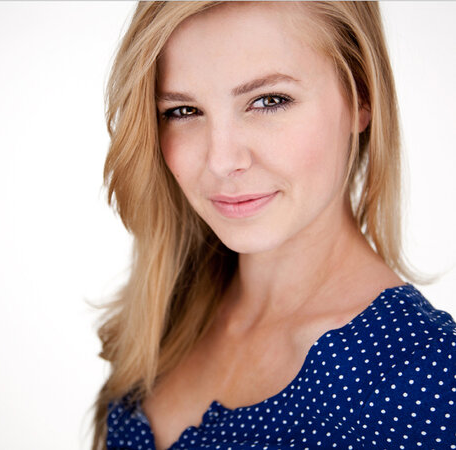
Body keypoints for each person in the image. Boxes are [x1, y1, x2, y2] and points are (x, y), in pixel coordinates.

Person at [94, 2, 456, 449]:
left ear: (362, 97)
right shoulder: (163, 324)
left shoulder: (426, 376)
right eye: (183, 111)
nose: (222, 161)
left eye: (269, 101)